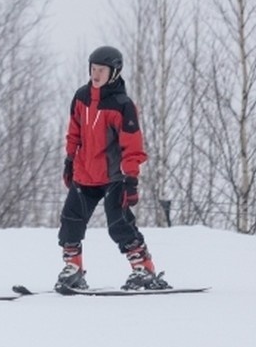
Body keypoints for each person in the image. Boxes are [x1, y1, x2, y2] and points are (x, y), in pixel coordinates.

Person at [56, 45, 170, 292]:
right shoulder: (81, 97)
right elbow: (73, 132)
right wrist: (69, 160)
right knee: (70, 222)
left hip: (115, 176)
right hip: (85, 173)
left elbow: (132, 145)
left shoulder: (122, 105)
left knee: (119, 225)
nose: (96, 75)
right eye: (93, 69)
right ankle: (73, 269)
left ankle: (144, 269)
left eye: (102, 70)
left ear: (114, 73)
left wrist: (131, 179)